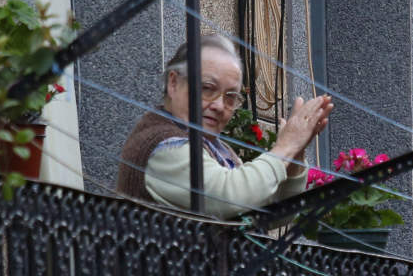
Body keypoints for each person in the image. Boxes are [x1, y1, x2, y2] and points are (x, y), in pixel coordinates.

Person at [116, 32, 332, 218]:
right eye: (208, 88)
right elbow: (230, 198)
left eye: (230, 97)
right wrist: (285, 147)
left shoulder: (211, 145)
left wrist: (296, 154)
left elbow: (266, 212)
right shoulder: (163, 145)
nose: (219, 105)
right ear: (173, 83)